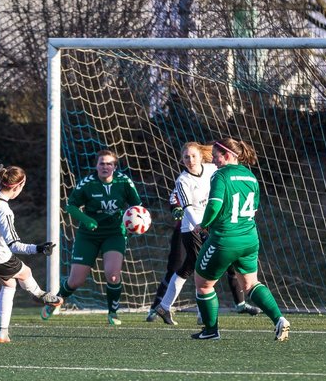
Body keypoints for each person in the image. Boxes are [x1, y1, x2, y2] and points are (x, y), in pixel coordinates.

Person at [146, 141, 261, 325]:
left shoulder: (212, 170)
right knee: (202, 270)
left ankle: (164, 307)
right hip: (192, 229)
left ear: (201, 156)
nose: (190, 160)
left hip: (211, 225)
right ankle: (201, 314)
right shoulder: (183, 181)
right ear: (181, 160)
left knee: (189, 268)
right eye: (186, 157)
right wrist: (200, 226)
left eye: (193, 156)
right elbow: (187, 208)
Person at [189, 137, 291, 342]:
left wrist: (204, 224)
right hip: (249, 238)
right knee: (251, 285)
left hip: (225, 239)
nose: (214, 161)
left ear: (227, 155)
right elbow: (254, 208)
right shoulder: (251, 177)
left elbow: (215, 205)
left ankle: (211, 331)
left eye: (216, 157)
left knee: (203, 284)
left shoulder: (221, 175)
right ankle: (279, 318)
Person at [45, 148, 142, 325]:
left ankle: (113, 313)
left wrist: (135, 222)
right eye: (102, 163)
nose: (105, 166)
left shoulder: (124, 182)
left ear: (115, 166)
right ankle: (55, 301)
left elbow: (137, 207)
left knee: (113, 275)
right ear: (96, 166)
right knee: (76, 280)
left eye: (109, 164)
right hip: (88, 235)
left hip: (114, 233)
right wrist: (86, 219)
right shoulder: (87, 184)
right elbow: (71, 206)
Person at [0, 162, 62, 343]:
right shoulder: (4, 212)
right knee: (25, 272)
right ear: (18, 187)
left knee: (9, 285)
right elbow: (15, 246)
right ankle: (39, 295)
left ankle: (2, 333)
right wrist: (39, 248)